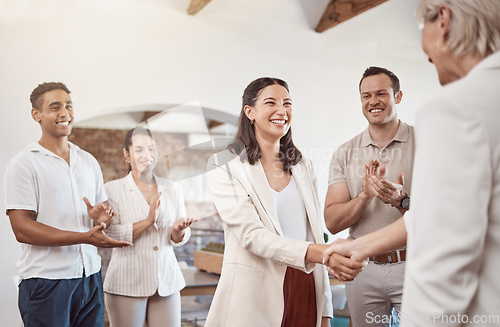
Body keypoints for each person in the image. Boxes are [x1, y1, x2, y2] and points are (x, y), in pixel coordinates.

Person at [325, 0, 500, 325]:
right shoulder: (345, 150)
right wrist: (360, 241)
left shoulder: (453, 109)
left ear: (444, 21)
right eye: (366, 95)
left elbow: (445, 243)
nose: (428, 54)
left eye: (423, 26)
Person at [205, 77, 364, 327]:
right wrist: (322, 253)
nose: (282, 111)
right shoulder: (224, 166)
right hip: (255, 291)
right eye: (271, 103)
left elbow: (313, 234)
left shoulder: (303, 166)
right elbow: (251, 235)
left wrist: (325, 310)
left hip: (306, 282)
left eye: (287, 103)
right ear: (250, 112)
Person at [5, 82, 130, 327]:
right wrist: (84, 236)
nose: (65, 113)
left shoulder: (88, 161)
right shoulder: (24, 164)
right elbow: (21, 229)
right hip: (46, 282)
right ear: (36, 115)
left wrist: (99, 218)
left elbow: (99, 214)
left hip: (90, 278)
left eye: (69, 106)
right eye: (55, 107)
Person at [323, 66, 414, 326]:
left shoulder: (425, 142)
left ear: (398, 97)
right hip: (363, 269)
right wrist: (364, 195)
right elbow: (332, 222)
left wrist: (402, 201)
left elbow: (442, 215)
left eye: (381, 93)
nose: (373, 101)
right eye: (366, 95)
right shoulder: (345, 152)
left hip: (413, 264)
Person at [103, 126, 197, 327]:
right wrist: (147, 221)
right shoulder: (113, 189)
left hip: (167, 281)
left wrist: (178, 230)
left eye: (151, 148)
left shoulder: (172, 188)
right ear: (127, 154)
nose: (147, 155)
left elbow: (179, 236)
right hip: (126, 282)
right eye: (139, 150)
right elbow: (110, 235)